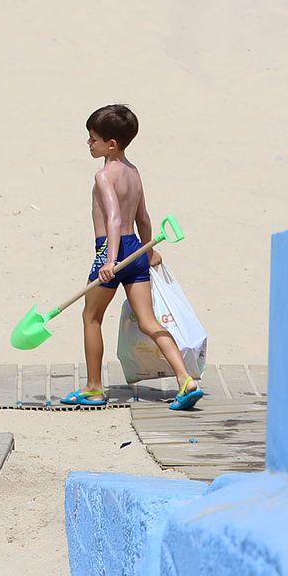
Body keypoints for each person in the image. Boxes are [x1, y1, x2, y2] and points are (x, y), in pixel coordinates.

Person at [61, 105, 204, 411]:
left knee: (91, 317)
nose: (89, 143)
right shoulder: (134, 172)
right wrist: (149, 250)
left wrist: (110, 260)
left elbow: (113, 218)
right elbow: (143, 217)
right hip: (137, 249)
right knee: (149, 321)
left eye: (93, 139)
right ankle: (185, 379)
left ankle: (94, 388)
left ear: (111, 144)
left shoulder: (104, 175)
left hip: (110, 251)